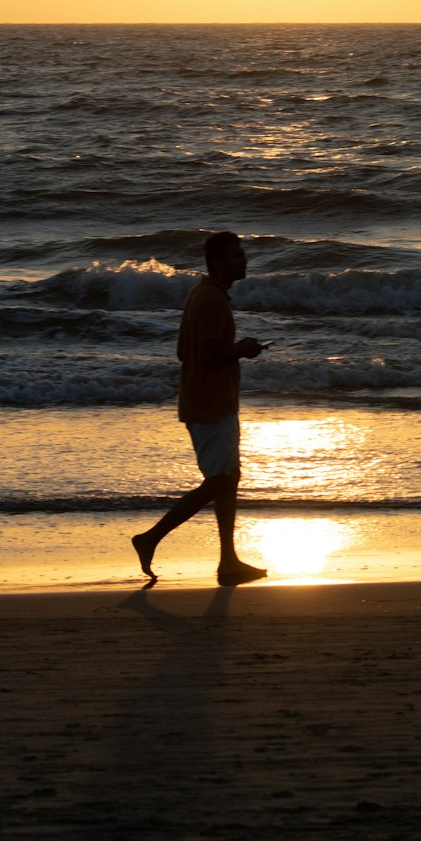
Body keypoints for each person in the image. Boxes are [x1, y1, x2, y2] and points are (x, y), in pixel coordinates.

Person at [132, 231, 268, 586]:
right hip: (210, 403)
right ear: (219, 262)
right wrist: (242, 350)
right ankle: (151, 538)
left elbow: (184, 352)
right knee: (221, 480)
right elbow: (207, 354)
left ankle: (228, 562)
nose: (244, 261)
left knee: (229, 478)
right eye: (237, 256)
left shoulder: (202, 294)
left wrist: (232, 351)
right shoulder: (212, 300)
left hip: (207, 399)